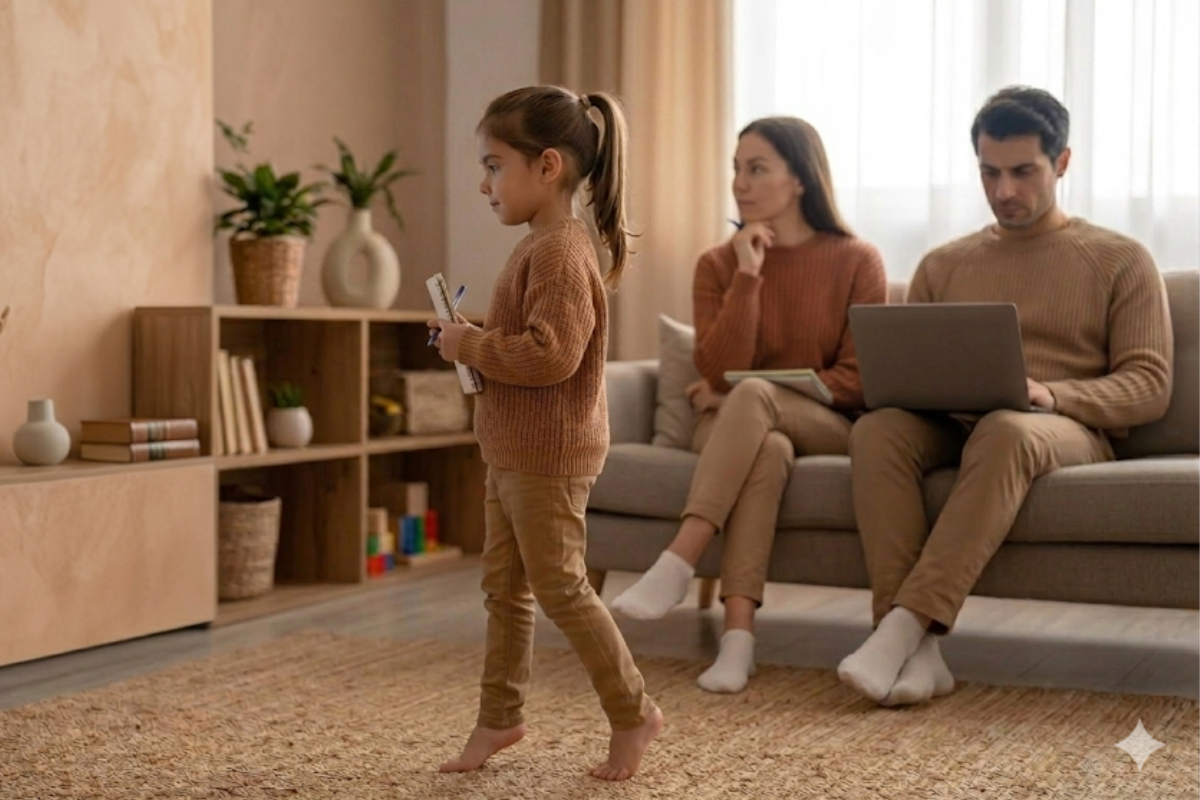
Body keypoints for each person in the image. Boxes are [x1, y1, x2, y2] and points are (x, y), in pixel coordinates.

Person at [837, 86, 1173, 707]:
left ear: (1063, 162)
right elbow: (907, 376)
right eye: (989, 173)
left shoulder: (1122, 260)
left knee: (1007, 427)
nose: (1004, 191)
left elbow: (1148, 385)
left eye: (1024, 172)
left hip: (1061, 428)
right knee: (877, 430)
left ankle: (902, 627)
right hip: (957, 421)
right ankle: (924, 654)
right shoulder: (943, 264)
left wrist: (1051, 393)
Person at [609, 117, 888, 694]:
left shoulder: (858, 260)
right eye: (736, 168)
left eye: (757, 168)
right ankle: (738, 641)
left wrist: (749, 386)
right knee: (769, 450)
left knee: (758, 397)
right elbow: (714, 367)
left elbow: (856, 380)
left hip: (829, 423)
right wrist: (748, 275)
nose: (740, 183)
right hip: (732, 428)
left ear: (801, 179)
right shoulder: (719, 264)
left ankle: (678, 559)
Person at [431, 86, 662, 781]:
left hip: (548, 456)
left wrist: (471, 346)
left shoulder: (561, 253)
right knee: (504, 588)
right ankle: (500, 717)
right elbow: (529, 343)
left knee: (559, 587)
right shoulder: (541, 247)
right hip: (512, 450)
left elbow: (550, 354)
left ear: (549, 166)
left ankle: (634, 711)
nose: (484, 183)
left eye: (495, 165)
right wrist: (470, 340)